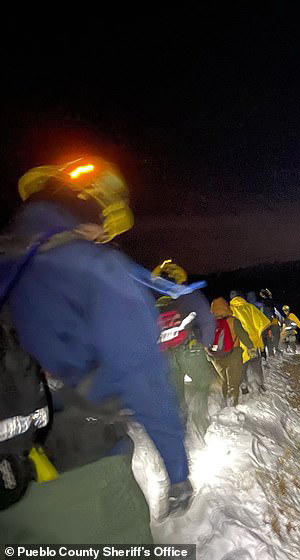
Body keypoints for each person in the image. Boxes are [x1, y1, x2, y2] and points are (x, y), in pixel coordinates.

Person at [0, 156, 191, 542]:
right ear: (88, 210)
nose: (105, 235)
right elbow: (143, 379)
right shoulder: (98, 269)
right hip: (83, 474)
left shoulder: (8, 264)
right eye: (105, 224)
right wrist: (178, 473)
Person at [152, 259, 220, 442]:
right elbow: (207, 319)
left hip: (165, 353)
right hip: (189, 348)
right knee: (202, 383)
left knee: (175, 394)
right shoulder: (189, 295)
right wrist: (206, 344)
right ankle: (200, 429)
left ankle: (179, 434)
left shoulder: (156, 301)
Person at [207, 297, 254, 406]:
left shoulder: (209, 323)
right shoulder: (233, 321)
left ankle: (224, 402)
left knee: (224, 380)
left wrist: (209, 355)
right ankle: (232, 406)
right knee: (233, 382)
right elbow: (243, 336)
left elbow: (205, 340)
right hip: (234, 354)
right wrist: (251, 348)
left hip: (216, 357)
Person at [229, 292, 270, 393]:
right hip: (253, 343)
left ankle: (244, 387)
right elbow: (263, 323)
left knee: (241, 367)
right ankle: (260, 385)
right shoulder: (250, 307)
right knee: (256, 364)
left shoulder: (230, 310)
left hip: (240, 344)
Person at [258, 288, 282, 358]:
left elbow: (262, 312)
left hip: (266, 322)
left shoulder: (263, 303)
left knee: (264, 337)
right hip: (273, 321)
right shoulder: (270, 301)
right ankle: (271, 353)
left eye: (261, 293)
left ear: (262, 295)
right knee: (269, 337)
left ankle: (264, 354)